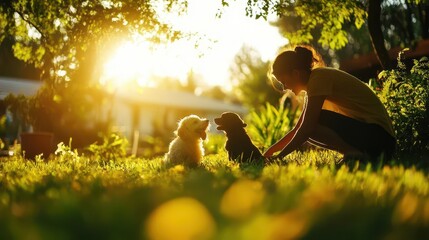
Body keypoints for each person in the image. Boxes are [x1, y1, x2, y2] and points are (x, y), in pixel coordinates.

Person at [263, 46, 396, 162]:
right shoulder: (314, 82)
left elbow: (306, 128)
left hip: (380, 138)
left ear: (296, 74)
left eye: (284, 82)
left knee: (314, 121)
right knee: (310, 123)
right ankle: (356, 154)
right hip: (378, 139)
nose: (285, 88)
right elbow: (299, 129)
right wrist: (270, 152)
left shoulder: (318, 79)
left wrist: (279, 157)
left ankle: (354, 154)